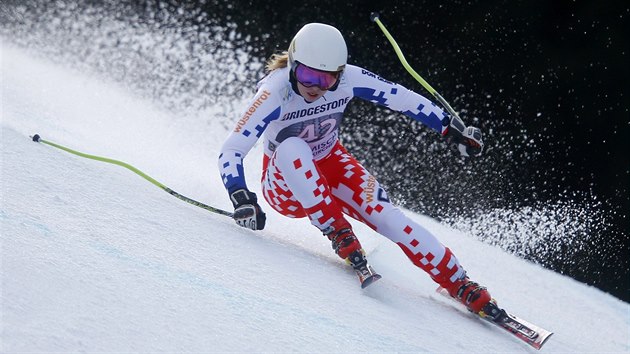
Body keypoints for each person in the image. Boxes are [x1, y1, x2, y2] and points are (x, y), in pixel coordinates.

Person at [218, 23, 497, 317]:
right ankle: (340, 233)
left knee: (388, 216)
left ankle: (459, 282)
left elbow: (400, 98)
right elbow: (232, 148)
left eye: (326, 80)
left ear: (340, 74)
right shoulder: (275, 91)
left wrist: (449, 127)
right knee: (292, 147)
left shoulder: (350, 78)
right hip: (285, 187)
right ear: (293, 65)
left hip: (331, 164)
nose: (314, 87)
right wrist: (241, 197)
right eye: (307, 75)